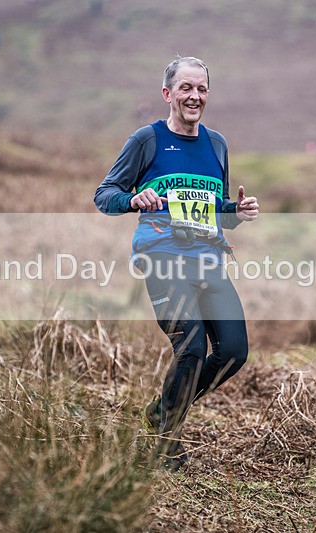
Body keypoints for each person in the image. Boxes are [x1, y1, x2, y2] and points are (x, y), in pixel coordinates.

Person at [94, 56, 259, 471]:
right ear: (168, 94)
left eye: (201, 89)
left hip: (208, 260)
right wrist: (133, 199)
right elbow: (104, 194)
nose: (195, 96)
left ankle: (160, 409)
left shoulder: (217, 144)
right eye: (186, 88)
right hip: (163, 257)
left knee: (234, 353)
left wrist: (236, 211)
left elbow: (215, 212)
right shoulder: (146, 140)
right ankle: (167, 441)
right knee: (190, 347)